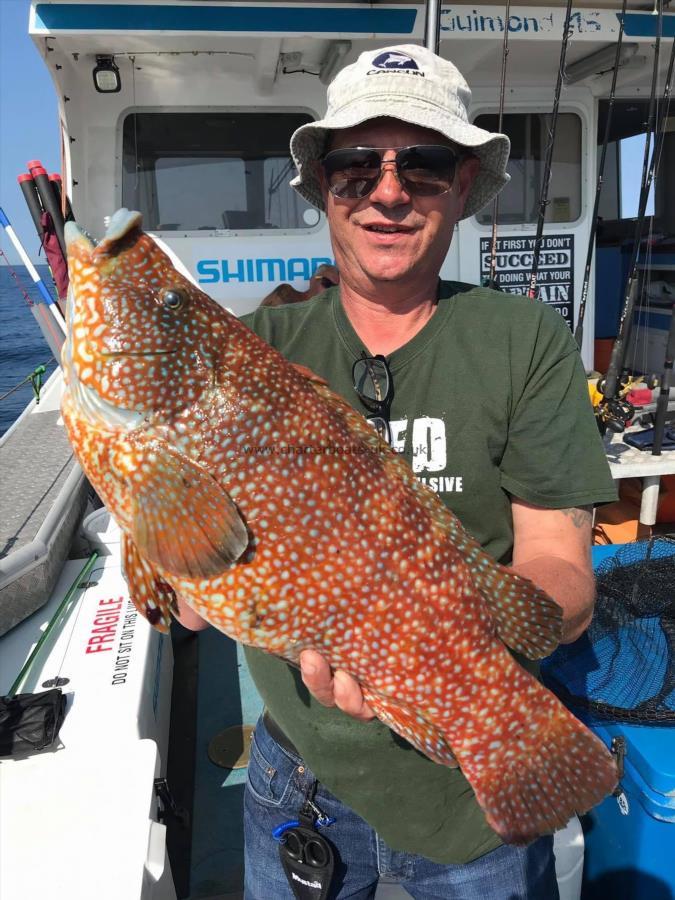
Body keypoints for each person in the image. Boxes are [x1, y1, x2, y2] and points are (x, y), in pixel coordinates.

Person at [177, 44, 617, 899]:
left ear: (461, 186)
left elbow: (563, 571)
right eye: (355, 166)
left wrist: (434, 640)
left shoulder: (521, 340)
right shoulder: (256, 354)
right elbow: (194, 597)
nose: (387, 191)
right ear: (324, 186)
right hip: (295, 781)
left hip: (469, 794)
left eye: (421, 164)